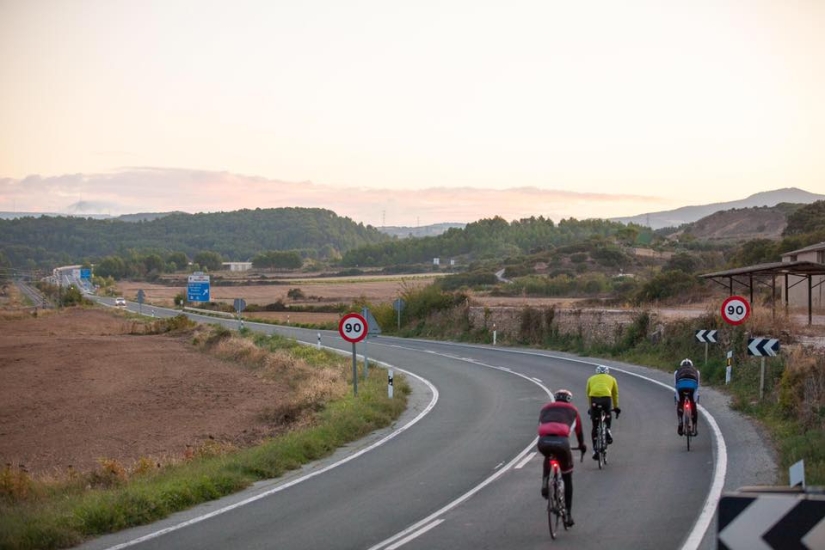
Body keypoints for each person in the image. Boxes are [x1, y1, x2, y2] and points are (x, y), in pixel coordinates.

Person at [537, 389, 586, 527]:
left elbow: (540, 426)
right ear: (569, 400)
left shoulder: (545, 408)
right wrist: (582, 446)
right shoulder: (573, 411)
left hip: (543, 441)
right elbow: (579, 432)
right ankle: (568, 515)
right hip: (562, 443)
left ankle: (545, 482)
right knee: (567, 477)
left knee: (548, 456)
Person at [585, 365, 620, 460]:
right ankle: (607, 429)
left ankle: (595, 450)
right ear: (607, 372)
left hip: (594, 399)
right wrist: (616, 407)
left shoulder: (591, 378)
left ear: (597, 372)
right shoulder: (612, 379)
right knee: (608, 414)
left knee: (595, 426)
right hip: (606, 399)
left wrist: (591, 408)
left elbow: (588, 393)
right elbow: (615, 394)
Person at [674, 358, 700, 436]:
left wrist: (677, 398)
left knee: (680, 403)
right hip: (692, 387)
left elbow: (675, 385)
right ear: (691, 365)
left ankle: (680, 423)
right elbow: (698, 385)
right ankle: (694, 428)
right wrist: (696, 398)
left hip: (681, 387)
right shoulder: (696, 371)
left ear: (681, 365)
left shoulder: (677, 371)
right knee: (693, 404)